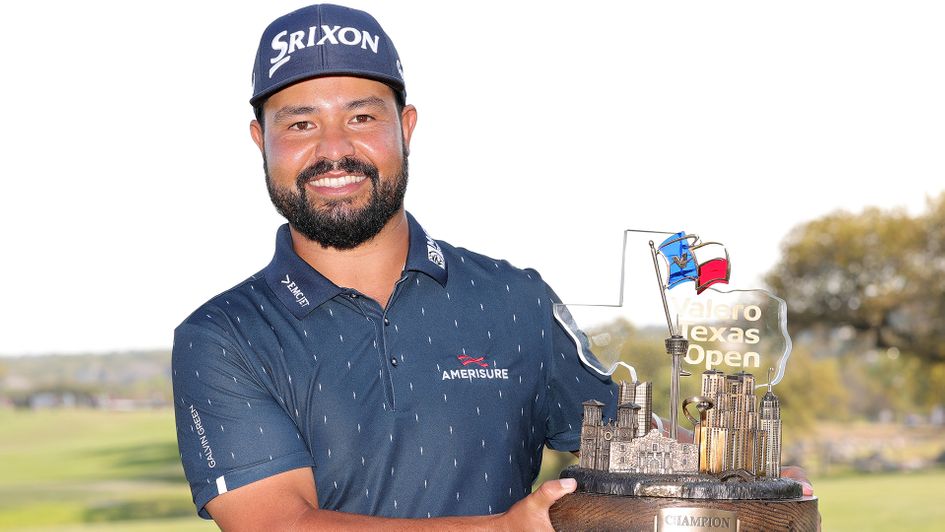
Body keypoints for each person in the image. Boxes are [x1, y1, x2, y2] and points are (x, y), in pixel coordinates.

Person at [171, 4, 616, 530]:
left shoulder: (519, 299)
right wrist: (501, 530)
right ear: (259, 140)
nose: (333, 150)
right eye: (300, 123)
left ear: (406, 127)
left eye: (361, 117)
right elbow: (278, 524)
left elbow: (640, 451)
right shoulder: (223, 336)